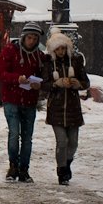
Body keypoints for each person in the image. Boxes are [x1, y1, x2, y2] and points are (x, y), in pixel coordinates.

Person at [0, 21, 46, 183]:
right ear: (23, 37)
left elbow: (45, 75)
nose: (31, 41)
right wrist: (16, 78)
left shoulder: (39, 56)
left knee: (27, 137)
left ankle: (24, 169)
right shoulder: (10, 50)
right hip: (11, 99)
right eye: (29, 37)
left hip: (30, 101)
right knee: (14, 134)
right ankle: (13, 166)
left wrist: (40, 84)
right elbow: (0, 73)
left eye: (34, 38)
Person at [41, 29, 90, 185]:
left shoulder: (75, 62)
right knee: (61, 141)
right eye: (58, 49)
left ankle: (67, 163)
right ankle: (62, 170)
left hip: (73, 108)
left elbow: (86, 82)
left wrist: (78, 84)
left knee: (73, 143)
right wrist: (56, 84)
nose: (61, 52)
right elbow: (44, 84)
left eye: (63, 48)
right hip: (56, 108)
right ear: (53, 50)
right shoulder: (48, 64)